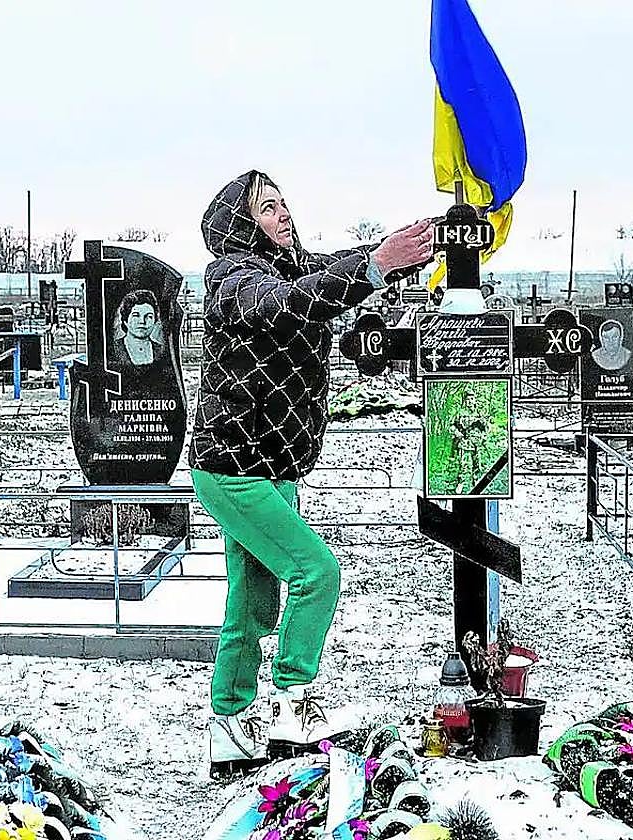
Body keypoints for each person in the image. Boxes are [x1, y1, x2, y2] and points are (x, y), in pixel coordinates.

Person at [193, 170, 433, 776]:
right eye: (268, 209)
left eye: (283, 205)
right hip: (234, 466)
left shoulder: (285, 268)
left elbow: (329, 272)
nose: (283, 216)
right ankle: (292, 704)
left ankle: (229, 723)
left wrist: (396, 256)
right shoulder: (233, 278)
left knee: (251, 599)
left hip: (273, 466)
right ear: (240, 223)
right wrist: (376, 266)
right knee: (316, 572)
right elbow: (289, 303)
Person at [111, 289, 162, 367]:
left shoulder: (160, 350)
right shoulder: (113, 348)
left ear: (155, 321)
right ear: (125, 320)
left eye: (149, 316)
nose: (142, 321)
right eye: (136, 315)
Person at [450, 390, 487, 494]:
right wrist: (456, 432)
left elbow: (485, 428)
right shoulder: (460, 413)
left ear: (475, 400)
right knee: (464, 464)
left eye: (471, 399)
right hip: (465, 443)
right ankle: (460, 483)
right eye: (467, 399)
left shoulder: (479, 413)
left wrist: (483, 437)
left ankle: (475, 481)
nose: (470, 401)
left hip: (477, 443)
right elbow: (452, 425)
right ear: (465, 401)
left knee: (477, 464)